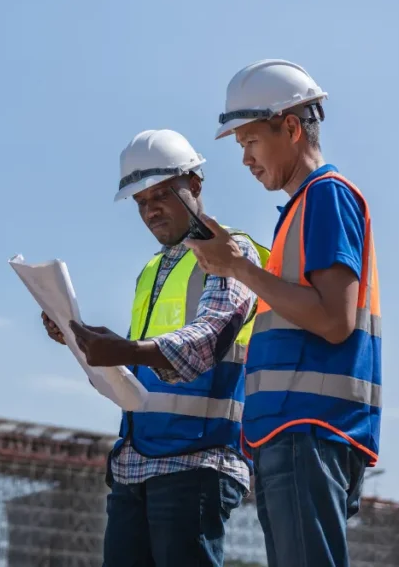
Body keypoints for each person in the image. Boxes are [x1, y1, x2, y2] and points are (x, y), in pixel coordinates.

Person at [183, 60, 382, 567]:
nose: (245, 159)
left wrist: (238, 268)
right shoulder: (301, 208)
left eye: (250, 141)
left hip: (310, 429)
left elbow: (334, 321)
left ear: (291, 128)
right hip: (292, 431)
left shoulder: (326, 196)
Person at [42, 129, 269, 567]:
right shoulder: (152, 270)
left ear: (194, 184)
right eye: (141, 202)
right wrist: (79, 340)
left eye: (161, 194)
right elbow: (136, 375)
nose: (150, 211)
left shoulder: (232, 251)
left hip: (197, 461)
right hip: (135, 463)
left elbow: (207, 340)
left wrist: (126, 349)